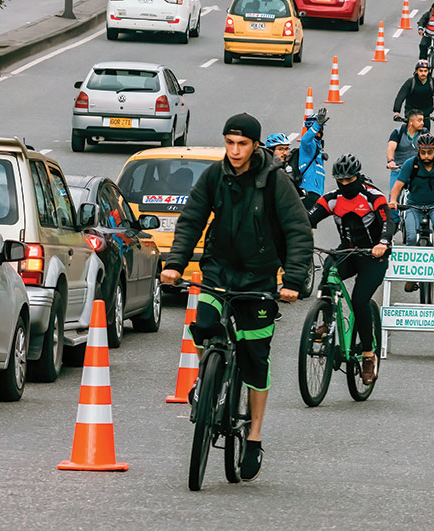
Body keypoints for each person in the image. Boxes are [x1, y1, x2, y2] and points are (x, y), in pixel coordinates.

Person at [161, 113, 312, 482]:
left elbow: (297, 230)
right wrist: (176, 263)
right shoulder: (215, 176)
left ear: (256, 145)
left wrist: (292, 280)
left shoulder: (275, 181)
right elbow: (192, 219)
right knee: (205, 324)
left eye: (242, 144)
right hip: (218, 270)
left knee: (255, 359)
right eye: (229, 143)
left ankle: (255, 435)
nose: (235, 150)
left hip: (258, 279)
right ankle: (206, 378)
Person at [308, 155, 392, 385]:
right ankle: (326, 317)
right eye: (340, 180)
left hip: (373, 255)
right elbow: (309, 218)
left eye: (350, 180)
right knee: (328, 269)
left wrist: (383, 242)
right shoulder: (332, 199)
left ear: (358, 177)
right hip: (348, 251)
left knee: (359, 300)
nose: (345, 184)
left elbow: (388, 221)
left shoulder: (372, 196)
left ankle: (367, 355)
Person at [388, 133, 434, 258]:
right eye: (423, 152)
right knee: (410, 237)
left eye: (429, 152)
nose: (426, 156)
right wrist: (393, 200)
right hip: (414, 204)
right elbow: (397, 186)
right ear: (418, 150)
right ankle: (411, 268)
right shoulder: (410, 164)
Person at [392, 61, 434, 127]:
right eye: (420, 71)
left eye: (425, 71)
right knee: (409, 134)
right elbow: (400, 96)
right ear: (416, 71)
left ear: (428, 72)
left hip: (425, 115)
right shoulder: (411, 82)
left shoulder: (433, 82)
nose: (423, 73)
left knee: (426, 136)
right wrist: (396, 113)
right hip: (411, 113)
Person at [298, 108, 328, 210]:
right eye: (319, 129)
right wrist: (317, 125)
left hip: (316, 193)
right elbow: (305, 141)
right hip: (308, 191)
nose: (320, 132)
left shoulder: (318, 147)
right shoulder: (309, 146)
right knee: (305, 223)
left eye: (321, 129)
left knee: (310, 224)